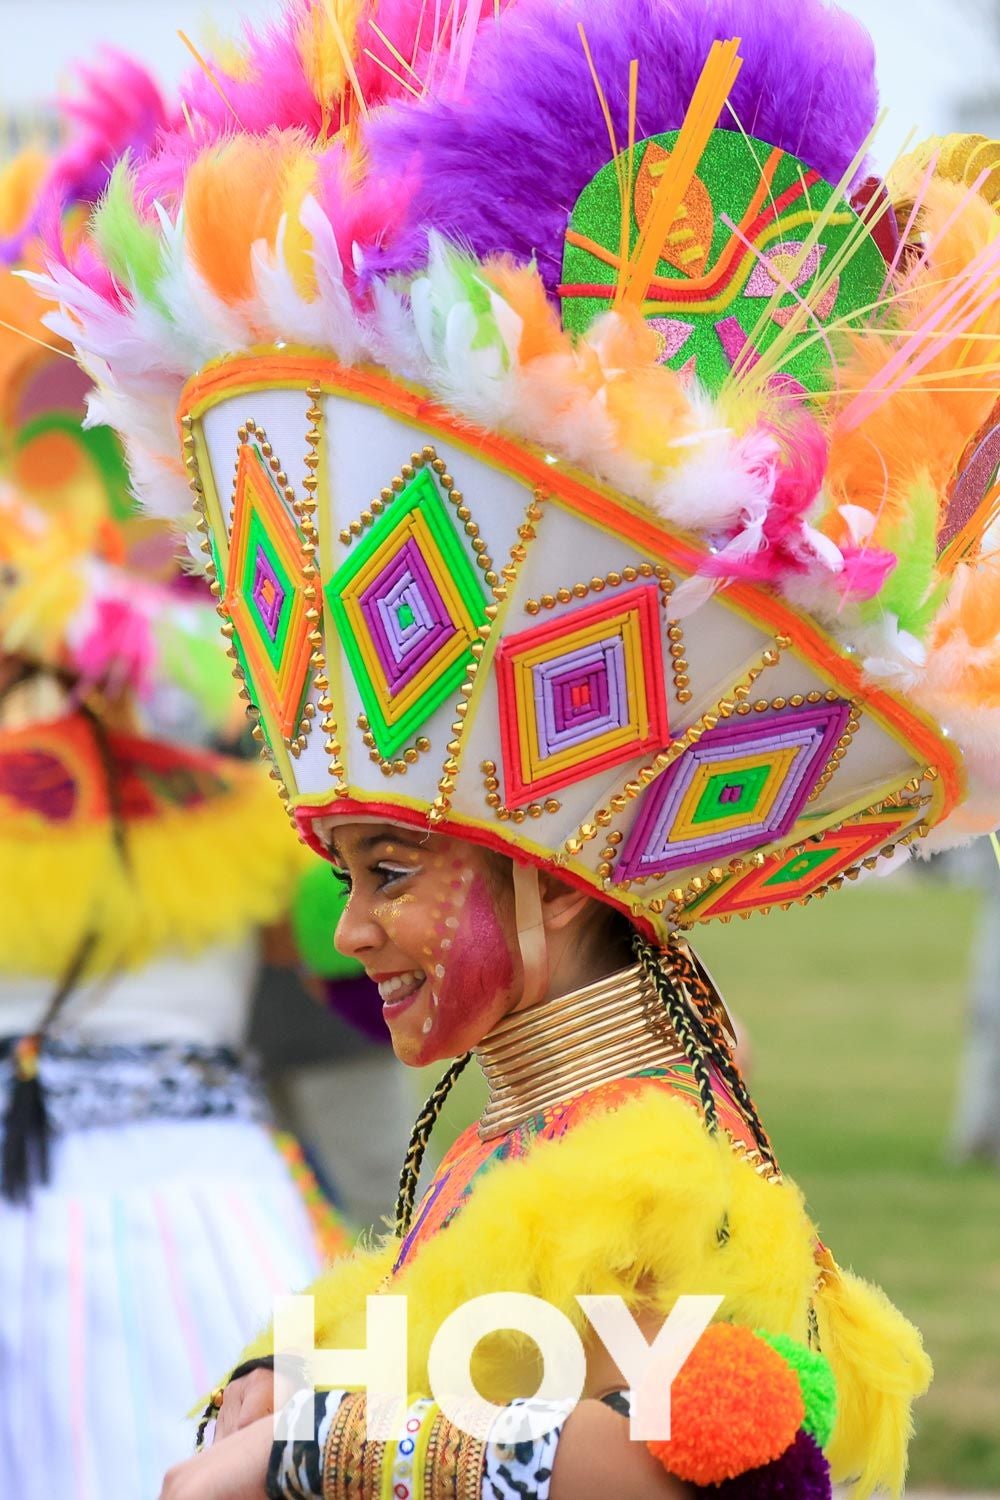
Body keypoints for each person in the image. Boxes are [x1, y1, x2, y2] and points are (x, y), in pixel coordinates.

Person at [36, 0, 1000, 1494]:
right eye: (349, 872)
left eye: (394, 866)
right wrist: (296, 1384)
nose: (351, 927)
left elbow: (736, 1444)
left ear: (550, 882)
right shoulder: (519, 1136)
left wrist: (305, 1444)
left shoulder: (651, 1156)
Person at [0, 93, 350, 1500]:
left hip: (184, 1211)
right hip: (191, 1209)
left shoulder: (236, 661)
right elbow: (345, 959)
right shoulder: (266, 656)